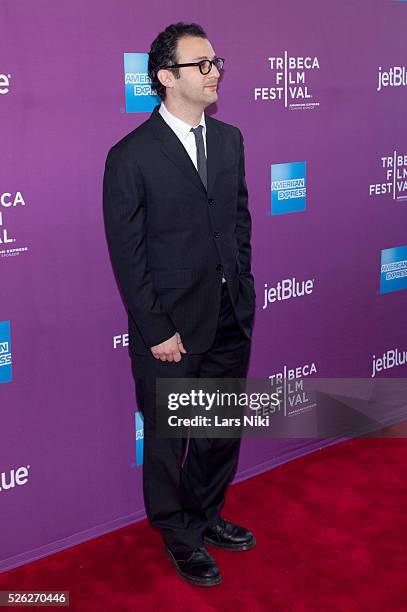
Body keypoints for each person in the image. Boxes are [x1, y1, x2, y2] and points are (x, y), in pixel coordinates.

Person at [103, 22, 256, 587]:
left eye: (217, 61)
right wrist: (156, 329)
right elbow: (129, 254)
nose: (214, 71)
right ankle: (179, 534)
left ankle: (208, 515)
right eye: (201, 64)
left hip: (229, 316)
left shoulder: (232, 139)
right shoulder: (130, 156)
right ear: (167, 77)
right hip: (169, 331)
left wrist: (243, 285)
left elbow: (239, 223)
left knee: (219, 430)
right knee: (171, 439)